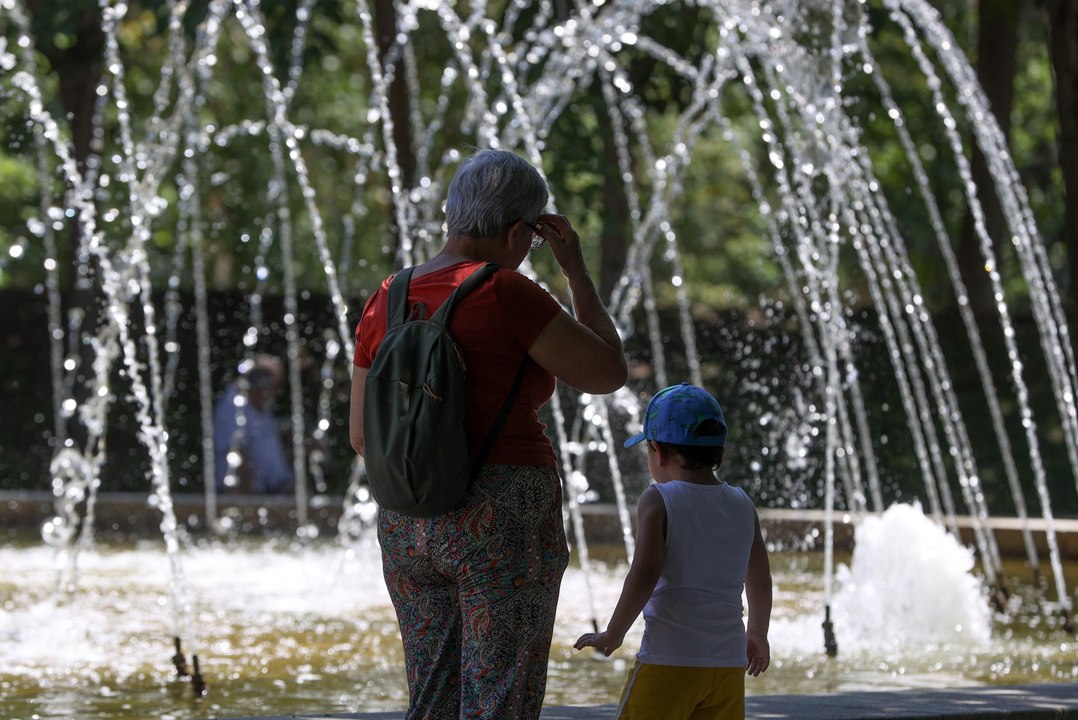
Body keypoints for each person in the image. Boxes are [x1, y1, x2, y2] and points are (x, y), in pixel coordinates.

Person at [349, 148, 627, 720]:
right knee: (500, 700)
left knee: (432, 701)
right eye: (530, 238)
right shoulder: (506, 292)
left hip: (406, 519)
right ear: (516, 230)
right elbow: (607, 373)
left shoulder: (387, 297)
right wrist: (574, 269)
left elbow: (361, 434)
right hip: (502, 516)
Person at [574, 382, 772, 720]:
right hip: (726, 665)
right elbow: (761, 579)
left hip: (668, 661)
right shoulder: (742, 503)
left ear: (659, 452)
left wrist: (614, 632)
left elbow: (645, 573)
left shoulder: (660, 499)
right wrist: (757, 633)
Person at [213, 354, 294, 494]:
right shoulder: (234, 405)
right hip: (245, 493)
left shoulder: (260, 404)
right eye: (274, 386)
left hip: (274, 489)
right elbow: (236, 453)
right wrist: (250, 502)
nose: (274, 392)